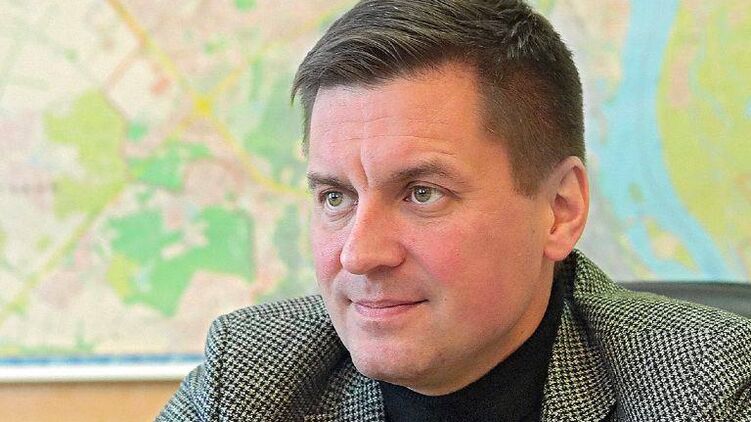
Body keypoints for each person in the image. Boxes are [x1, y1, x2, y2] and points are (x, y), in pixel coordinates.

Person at [157, 1, 751, 421]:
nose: (360, 254)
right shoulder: (251, 377)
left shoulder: (710, 389)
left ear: (560, 210)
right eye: (336, 197)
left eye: (422, 193)